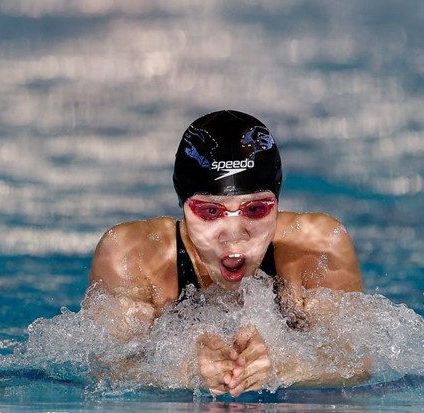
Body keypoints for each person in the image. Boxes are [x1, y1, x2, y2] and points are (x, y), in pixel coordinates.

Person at [87, 110, 364, 397]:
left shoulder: (317, 247)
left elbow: (359, 364)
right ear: (182, 204)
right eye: (210, 211)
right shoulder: (132, 255)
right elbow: (102, 368)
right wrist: (183, 371)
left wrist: (287, 367)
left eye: (255, 209)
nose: (233, 233)